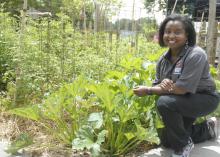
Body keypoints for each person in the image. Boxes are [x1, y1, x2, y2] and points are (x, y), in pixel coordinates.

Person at [133, 14, 219, 157]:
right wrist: (161, 85)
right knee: (167, 140)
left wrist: (149, 90)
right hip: (181, 100)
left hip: (204, 98)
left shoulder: (196, 55)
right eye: (167, 31)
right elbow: (158, 84)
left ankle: (184, 146)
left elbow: (181, 89)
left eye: (177, 32)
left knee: (164, 102)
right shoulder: (163, 60)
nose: (171, 35)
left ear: (187, 35)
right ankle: (207, 129)